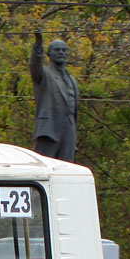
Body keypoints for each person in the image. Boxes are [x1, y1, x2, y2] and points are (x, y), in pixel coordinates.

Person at [30, 31, 79, 162]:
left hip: (68, 131)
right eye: (57, 50)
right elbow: (35, 66)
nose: (61, 52)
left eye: (63, 50)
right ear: (49, 53)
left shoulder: (71, 80)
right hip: (49, 130)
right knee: (45, 167)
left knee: (66, 170)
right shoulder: (45, 74)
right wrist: (38, 46)